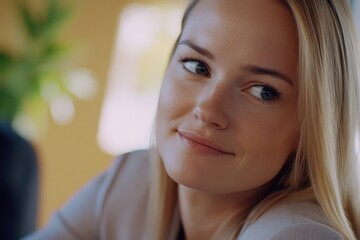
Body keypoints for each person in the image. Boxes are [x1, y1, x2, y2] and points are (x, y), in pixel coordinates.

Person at [25, 0, 360, 239]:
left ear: (314, 128)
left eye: (262, 91)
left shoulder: (296, 234)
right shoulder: (132, 181)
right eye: (197, 66)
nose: (209, 110)